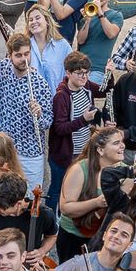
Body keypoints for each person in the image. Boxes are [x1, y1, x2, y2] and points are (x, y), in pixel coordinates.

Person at [0, 36, 53, 184]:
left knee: (31, 197)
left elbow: (47, 122)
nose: (24, 59)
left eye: (27, 54)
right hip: (2, 148)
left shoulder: (40, 84)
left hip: (30, 152)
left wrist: (39, 114)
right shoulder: (3, 68)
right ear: (10, 55)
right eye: (18, 55)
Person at [57, 128, 131, 265]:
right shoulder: (79, 169)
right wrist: (97, 202)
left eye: (122, 141)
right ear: (100, 150)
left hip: (102, 238)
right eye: (116, 143)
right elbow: (65, 208)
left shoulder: (124, 171)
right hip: (73, 236)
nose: (123, 146)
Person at [46, 52, 102, 206]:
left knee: (77, 190)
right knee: (57, 190)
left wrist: (109, 73)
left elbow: (105, 90)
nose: (84, 77)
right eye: (79, 73)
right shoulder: (61, 97)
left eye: (86, 73)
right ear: (68, 73)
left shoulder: (87, 86)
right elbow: (59, 128)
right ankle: (52, 225)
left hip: (83, 152)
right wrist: (83, 120)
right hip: (64, 154)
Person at [0, 173, 58, 267]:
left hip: (31, 266)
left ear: (18, 203)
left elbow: (51, 236)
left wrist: (42, 251)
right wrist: (0, 268)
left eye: (1, 207)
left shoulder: (44, 214)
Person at [73, 0, 123, 85]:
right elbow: (81, 40)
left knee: (85, 93)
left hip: (98, 69)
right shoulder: (87, 14)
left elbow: (111, 34)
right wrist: (88, 20)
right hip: (80, 67)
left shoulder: (116, 15)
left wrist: (100, 12)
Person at [20, 5, 72, 92]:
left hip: (57, 100)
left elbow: (71, 74)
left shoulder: (63, 46)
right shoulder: (24, 47)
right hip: (33, 102)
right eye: (30, 20)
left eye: (37, 18)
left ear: (47, 20)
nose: (34, 22)